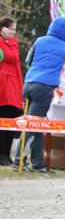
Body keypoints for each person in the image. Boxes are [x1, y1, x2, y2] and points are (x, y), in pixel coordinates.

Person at [13, 17, 65, 172]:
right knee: (32, 126)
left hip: (29, 83)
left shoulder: (39, 41)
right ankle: (19, 161)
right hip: (44, 87)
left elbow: (28, 60)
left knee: (37, 125)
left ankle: (37, 162)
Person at [0, 17, 24, 165]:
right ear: (4, 29)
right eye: (12, 29)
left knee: (11, 124)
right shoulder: (3, 43)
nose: (14, 32)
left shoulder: (9, 43)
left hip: (13, 89)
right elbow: (12, 57)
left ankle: (7, 154)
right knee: (4, 124)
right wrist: (12, 42)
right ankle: (2, 154)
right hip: (4, 89)